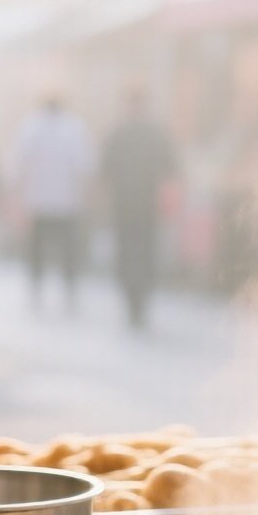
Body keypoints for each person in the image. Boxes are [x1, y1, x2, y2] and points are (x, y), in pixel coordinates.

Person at [100, 82, 175, 330]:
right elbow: (171, 168)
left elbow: (104, 171)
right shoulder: (155, 134)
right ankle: (140, 300)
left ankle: (133, 300)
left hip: (125, 204)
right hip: (146, 204)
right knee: (144, 252)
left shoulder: (118, 133)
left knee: (128, 252)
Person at [11, 94, 96, 311]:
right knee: (67, 251)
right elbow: (83, 166)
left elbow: (20, 164)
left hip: (38, 201)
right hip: (66, 202)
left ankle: (37, 290)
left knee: (37, 251)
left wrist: (20, 196)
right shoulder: (74, 128)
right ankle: (69, 292)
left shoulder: (31, 127)